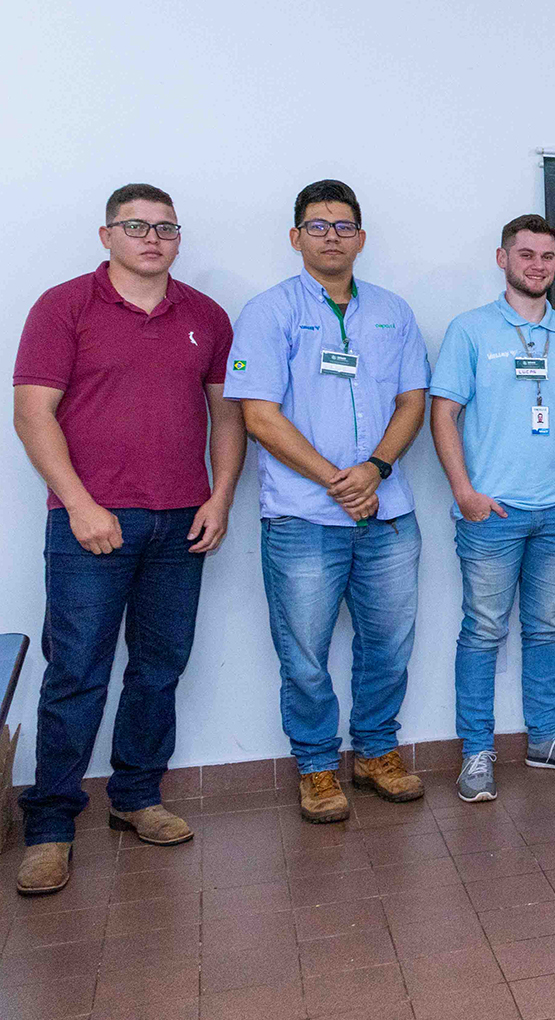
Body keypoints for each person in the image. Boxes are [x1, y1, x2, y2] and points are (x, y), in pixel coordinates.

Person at [12, 184, 245, 896]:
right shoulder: (64, 307)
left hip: (181, 521)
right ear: (106, 234)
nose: (153, 237)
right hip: (92, 522)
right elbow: (32, 414)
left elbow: (227, 418)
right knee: (77, 670)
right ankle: (51, 827)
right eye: (137, 226)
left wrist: (221, 495)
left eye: (166, 227)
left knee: (159, 665)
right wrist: (80, 505)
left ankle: (137, 796)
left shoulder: (206, 317)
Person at [226, 179, 430, 824]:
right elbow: (258, 414)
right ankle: (316, 767)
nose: (332, 236)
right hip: (301, 516)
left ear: (361, 238)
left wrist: (373, 469)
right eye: (318, 225)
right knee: (304, 651)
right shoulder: (269, 311)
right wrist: (336, 480)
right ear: (296, 237)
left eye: (343, 225)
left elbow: (412, 402)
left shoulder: (394, 311)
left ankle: (375, 754)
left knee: (389, 644)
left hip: (387, 512)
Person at [429, 214, 555, 805]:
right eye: (526, 254)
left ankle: (546, 739)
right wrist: (464, 492)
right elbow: (443, 413)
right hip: (492, 515)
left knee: (546, 629)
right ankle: (476, 752)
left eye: (547, 257)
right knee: (482, 632)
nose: (537, 266)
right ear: (502, 259)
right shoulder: (471, 330)